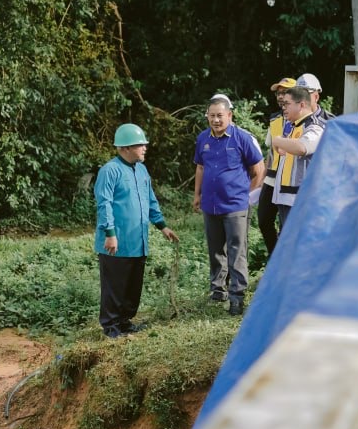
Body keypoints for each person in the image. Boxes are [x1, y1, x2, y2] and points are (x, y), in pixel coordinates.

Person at [94, 123, 179, 339]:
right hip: (117, 241)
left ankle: (125, 321)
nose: (144, 148)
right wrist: (110, 234)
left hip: (138, 240)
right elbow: (104, 204)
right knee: (115, 285)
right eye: (140, 145)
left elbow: (150, 200)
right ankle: (111, 326)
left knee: (133, 284)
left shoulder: (141, 170)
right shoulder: (109, 171)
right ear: (124, 148)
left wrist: (162, 226)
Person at [194, 94, 266, 315]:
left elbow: (259, 170)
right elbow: (200, 168)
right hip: (210, 205)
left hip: (235, 206)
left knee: (237, 252)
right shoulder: (203, 139)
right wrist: (197, 195)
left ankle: (237, 296)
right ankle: (218, 290)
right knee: (216, 250)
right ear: (207, 116)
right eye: (212, 116)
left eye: (220, 116)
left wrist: (246, 195)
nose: (216, 120)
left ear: (229, 115)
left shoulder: (242, 138)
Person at [270, 85, 325, 231]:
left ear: (301, 105)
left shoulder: (314, 126)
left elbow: (302, 147)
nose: (283, 107)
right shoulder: (293, 126)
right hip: (286, 197)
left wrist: (277, 140)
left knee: (298, 246)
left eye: (287, 103)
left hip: (300, 200)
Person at [259, 78, 297, 255]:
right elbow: (271, 152)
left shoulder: (300, 120)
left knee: (285, 225)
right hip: (272, 177)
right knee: (263, 219)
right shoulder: (274, 118)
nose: (281, 97)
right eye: (278, 93)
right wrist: (262, 179)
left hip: (290, 178)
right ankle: (275, 258)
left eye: (285, 92)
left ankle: (282, 263)